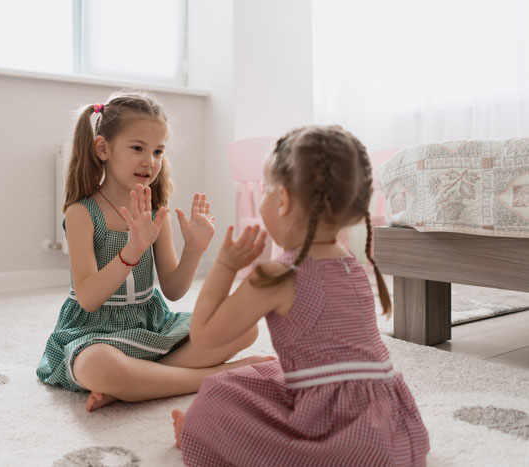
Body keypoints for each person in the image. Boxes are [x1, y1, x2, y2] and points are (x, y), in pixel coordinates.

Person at [172, 125, 430, 466]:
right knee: (270, 372)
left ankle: (197, 432)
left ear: (283, 200)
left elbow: (204, 335)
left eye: (265, 190)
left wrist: (224, 265)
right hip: (394, 428)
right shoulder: (351, 264)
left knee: (218, 393)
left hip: (347, 441)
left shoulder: (279, 275)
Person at [36, 91, 270, 412]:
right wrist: (131, 251)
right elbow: (89, 298)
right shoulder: (81, 214)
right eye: (137, 148)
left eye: (158, 151)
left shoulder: (157, 211)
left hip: (150, 326)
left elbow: (173, 290)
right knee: (99, 367)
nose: (150, 161)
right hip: (95, 332)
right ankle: (215, 376)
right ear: (103, 148)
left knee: (244, 326)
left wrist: (194, 250)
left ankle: (137, 383)